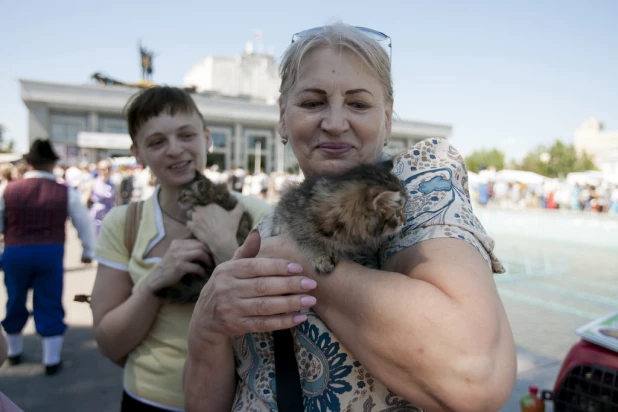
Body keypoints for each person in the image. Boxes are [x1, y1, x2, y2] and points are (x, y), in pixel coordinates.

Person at [184, 23, 517, 412]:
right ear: (282, 119)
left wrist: (303, 259)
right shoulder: (270, 225)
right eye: (312, 102)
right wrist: (205, 325)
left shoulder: (415, 187)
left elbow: (477, 373)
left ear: (388, 119)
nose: (336, 122)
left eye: (358, 104)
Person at [90, 86, 272, 411]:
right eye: (157, 142)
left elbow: (277, 325)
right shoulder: (123, 223)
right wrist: (156, 280)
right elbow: (108, 342)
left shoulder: (257, 214)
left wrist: (223, 245)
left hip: (241, 400)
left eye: (186, 135)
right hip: (147, 398)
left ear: (207, 138)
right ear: (138, 154)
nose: (175, 150)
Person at [0, 139, 94, 375]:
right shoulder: (66, 192)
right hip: (50, 251)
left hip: (15, 250)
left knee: (14, 299)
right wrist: (87, 251)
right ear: (52, 164)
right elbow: (84, 222)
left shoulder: (8, 189)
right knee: (49, 301)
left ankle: (13, 352)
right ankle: (50, 360)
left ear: (29, 163)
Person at [83, 158, 118, 235]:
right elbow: (84, 201)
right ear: (98, 170)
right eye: (103, 169)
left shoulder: (114, 184)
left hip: (109, 214)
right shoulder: (92, 183)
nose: (106, 171)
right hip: (96, 215)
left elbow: (118, 202)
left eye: (108, 168)